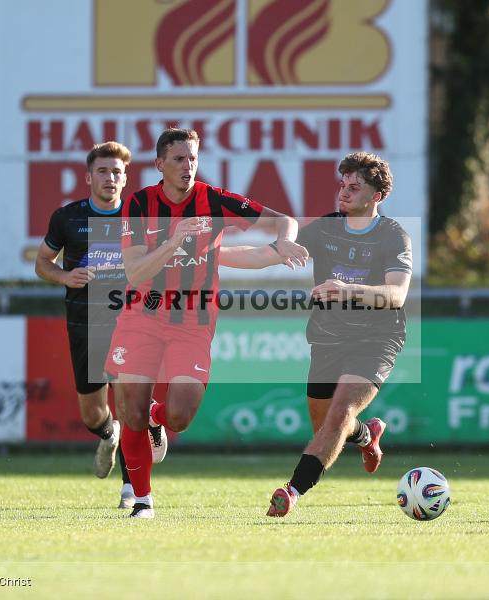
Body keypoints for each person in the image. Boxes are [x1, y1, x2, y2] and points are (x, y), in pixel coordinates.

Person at [106, 127, 309, 518]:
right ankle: (143, 501)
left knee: (180, 416)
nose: (188, 166)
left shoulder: (212, 199)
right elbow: (134, 272)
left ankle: (156, 418)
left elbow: (283, 219)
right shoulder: (139, 203)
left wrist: (283, 241)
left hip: (193, 320)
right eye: (179, 159)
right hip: (142, 314)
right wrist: (173, 241)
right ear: (159, 164)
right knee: (130, 411)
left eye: (193, 158)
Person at [265, 151, 413, 517]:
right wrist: (217, 255)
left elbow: (396, 295)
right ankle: (365, 434)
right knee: (326, 426)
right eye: (342, 184)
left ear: (376, 196)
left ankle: (292, 491)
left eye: (354, 187)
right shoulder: (326, 228)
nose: (344, 192)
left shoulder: (394, 236)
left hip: (376, 340)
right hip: (328, 338)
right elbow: (270, 252)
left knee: (339, 414)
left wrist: (348, 290)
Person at [35, 141, 168, 509]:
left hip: (131, 322)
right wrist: (65, 276)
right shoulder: (67, 218)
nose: (110, 177)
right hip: (85, 324)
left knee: (128, 403)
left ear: (125, 178)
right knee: (93, 414)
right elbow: (42, 262)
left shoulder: (139, 218)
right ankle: (109, 436)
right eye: (103, 171)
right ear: (88, 177)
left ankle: (132, 488)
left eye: (117, 172)